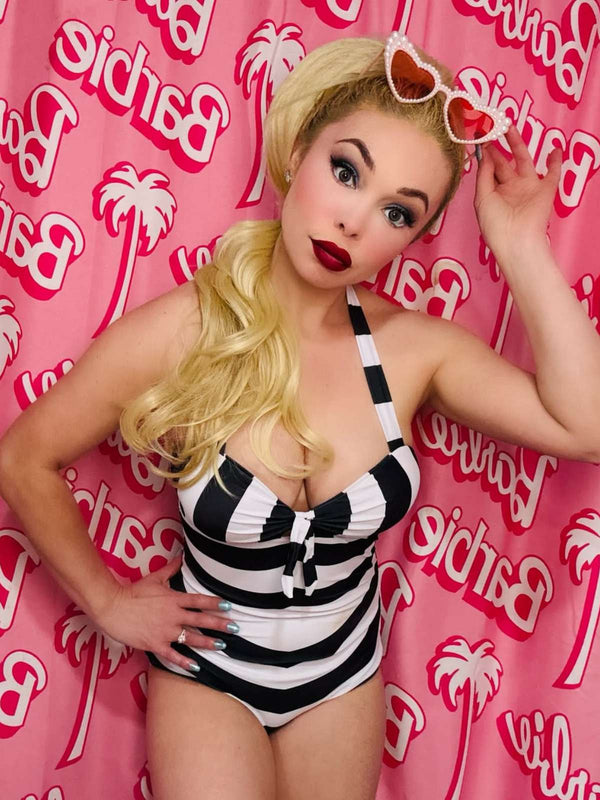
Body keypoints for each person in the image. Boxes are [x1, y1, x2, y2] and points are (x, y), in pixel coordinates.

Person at [1, 31, 599, 800]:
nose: (354, 222)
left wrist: (520, 246)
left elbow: (585, 427)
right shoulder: (183, 332)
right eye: (347, 171)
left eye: (397, 211)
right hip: (210, 673)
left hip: (343, 677)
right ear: (297, 151)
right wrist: (108, 601)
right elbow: (23, 457)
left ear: (416, 237)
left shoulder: (414, 351)